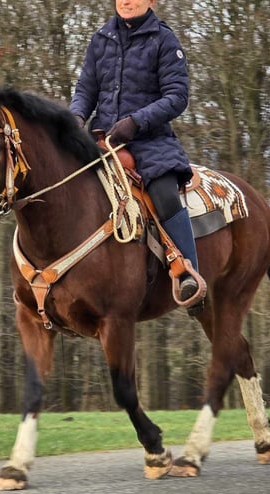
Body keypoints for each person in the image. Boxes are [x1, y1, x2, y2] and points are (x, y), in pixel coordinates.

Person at [70, 0, 201, 304]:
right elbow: (85, 91)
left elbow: (177, 96)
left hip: (151, 142)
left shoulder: (164, 40)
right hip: (102, 139)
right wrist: (75, 118)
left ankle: (187, 273)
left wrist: (136, 122)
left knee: (165, 194)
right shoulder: (100, 38)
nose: (127, 1)